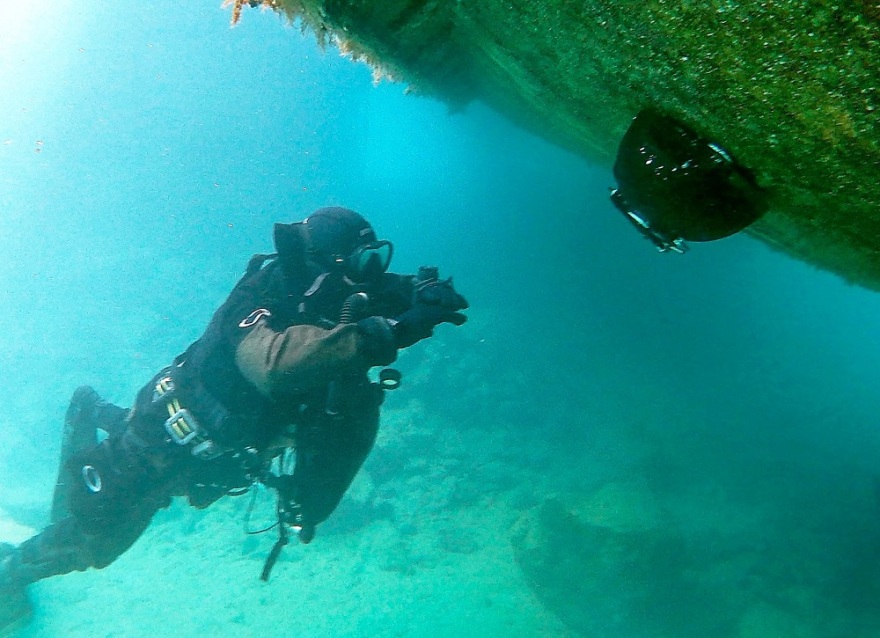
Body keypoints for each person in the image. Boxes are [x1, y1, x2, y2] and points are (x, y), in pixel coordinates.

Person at [0, 206, 468, 630]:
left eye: (376, 259)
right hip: (170, 432)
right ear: (327, 262)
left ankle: (96, 414)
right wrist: (398, 330)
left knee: (140, 495)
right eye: (361, 263)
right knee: (95, 542)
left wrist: (418, 291)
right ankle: (8, 576)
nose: (371, 275)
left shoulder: (334, 286)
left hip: (221, 450)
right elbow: (275, 366)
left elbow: (381, 288)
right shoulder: (257, 296)